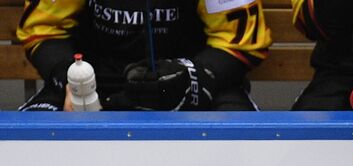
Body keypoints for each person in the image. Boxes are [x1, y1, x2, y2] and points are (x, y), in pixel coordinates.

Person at [16, 0, 270, 111]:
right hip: (95, 86)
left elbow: (239, 41)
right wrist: (68, 77)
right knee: (24, 146)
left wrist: (192, 77)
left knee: (241, 135)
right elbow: (44, 30)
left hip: (192, 83)